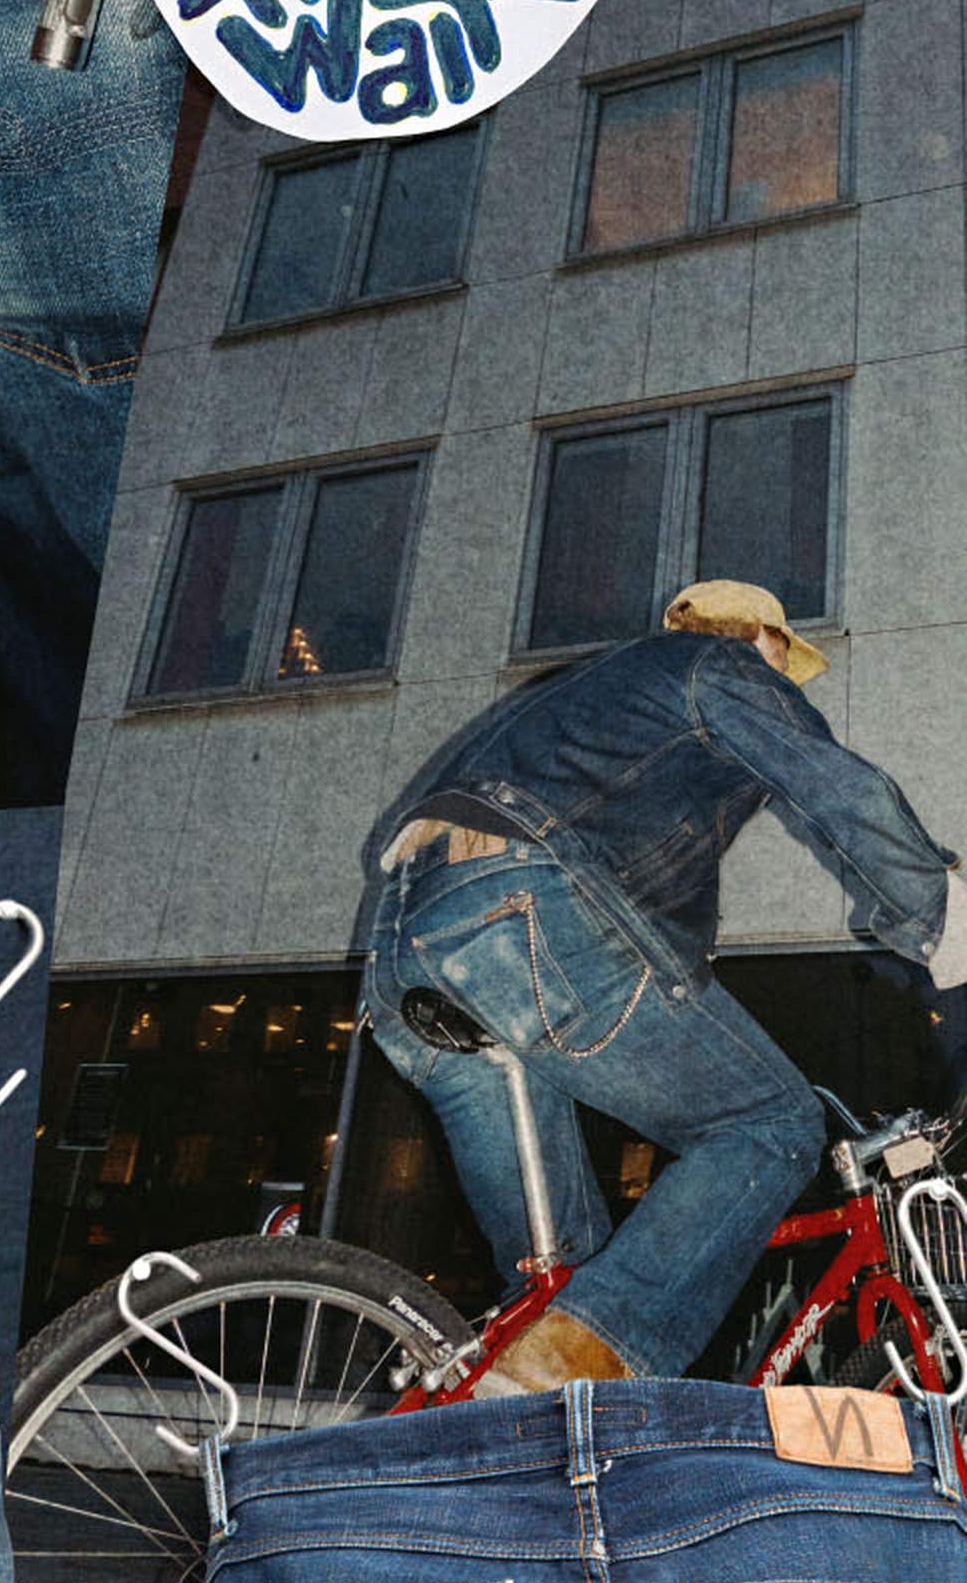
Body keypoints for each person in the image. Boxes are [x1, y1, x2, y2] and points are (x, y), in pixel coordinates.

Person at [357, 579, 962, 1390]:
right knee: (772, 1122)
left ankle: (516, 1429)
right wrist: (941, 912)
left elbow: (663, 928)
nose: (787, 689)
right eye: (787, 667)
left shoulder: (599, 702)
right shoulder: (713, 664)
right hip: (515, 913)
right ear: (760, 642)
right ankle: (574, 1364)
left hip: (406, 949)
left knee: (560, 1288)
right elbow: (835, 785)